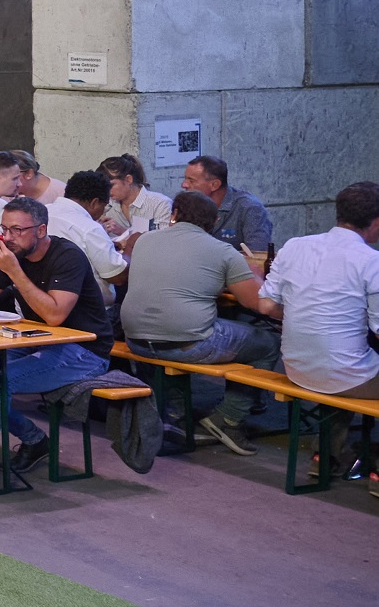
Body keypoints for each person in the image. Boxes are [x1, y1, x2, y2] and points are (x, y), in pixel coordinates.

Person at [0, 198, 116, 482]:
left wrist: (14, 271)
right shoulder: (13, 253)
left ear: (40, 230)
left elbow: (54, 316)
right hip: (38, 341)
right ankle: (36, 440)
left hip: (85, 349)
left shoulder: (67, 256)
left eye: (17, 230)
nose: (8, 238)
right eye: (4, 229)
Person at [120, 190, 280, 456]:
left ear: (174, 215)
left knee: (171, 330)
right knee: (267, 343)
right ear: (215, 220)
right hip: (186, 344)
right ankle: (228, 419)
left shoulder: (145, 241)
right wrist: (253, 274)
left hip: (135, 340)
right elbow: (255, 302)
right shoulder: (222, 251)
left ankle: (176, 413)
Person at [260, 181, 379, 479]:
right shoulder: (371, 261)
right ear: (375, 223)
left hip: (296, 367)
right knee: (349, 367)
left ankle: (325, 456)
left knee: (344, 364)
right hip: (341, 374)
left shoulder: (295, 246)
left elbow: (265, 306)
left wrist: (307, 316)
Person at [182, 155, 274, 258]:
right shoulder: (189, 206)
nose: (184, 185)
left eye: (191, 181)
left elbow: (257, 256)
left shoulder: (249, 208)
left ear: (214, 185)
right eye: (185, 179)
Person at [100, 155, 173, 250]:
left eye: (111, 185)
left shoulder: (160, 204)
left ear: (128, 179)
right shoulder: (106, 206)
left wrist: (123, 232)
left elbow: (164, 243)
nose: (106, 190)